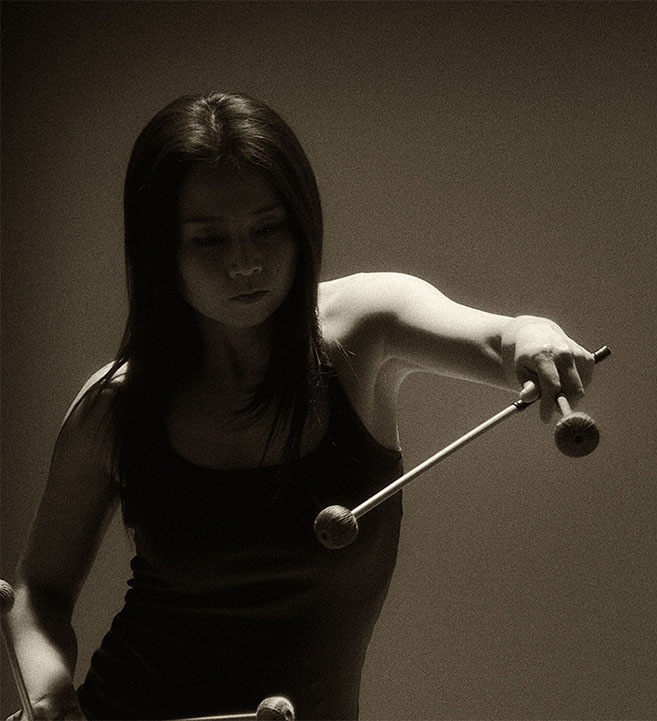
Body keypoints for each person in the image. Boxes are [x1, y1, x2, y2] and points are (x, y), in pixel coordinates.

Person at [5, 92, 596, 720]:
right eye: (209, 240)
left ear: (300, 222)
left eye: (267, 228)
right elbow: (39, 592)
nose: (245, 263)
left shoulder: (366, 327)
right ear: (160, 249)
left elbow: (500, 339)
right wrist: (50, 698)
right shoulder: (116, 407)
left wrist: (534, 335)